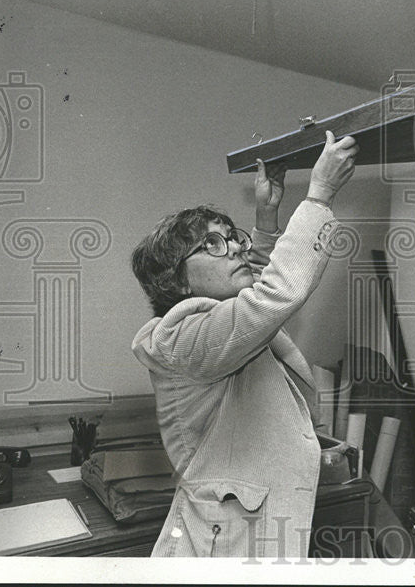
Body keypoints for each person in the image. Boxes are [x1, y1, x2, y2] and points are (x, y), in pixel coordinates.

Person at [130, 131, 359, 558]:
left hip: (245, 528)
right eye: (213, 244)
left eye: (232, 236)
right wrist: (319, 197)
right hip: (224, 547)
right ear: (177, 281)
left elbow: (251, 288)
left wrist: (266, 217)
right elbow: (267, 299)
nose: (234, 247)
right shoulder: (181, 337)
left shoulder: (221, 322)